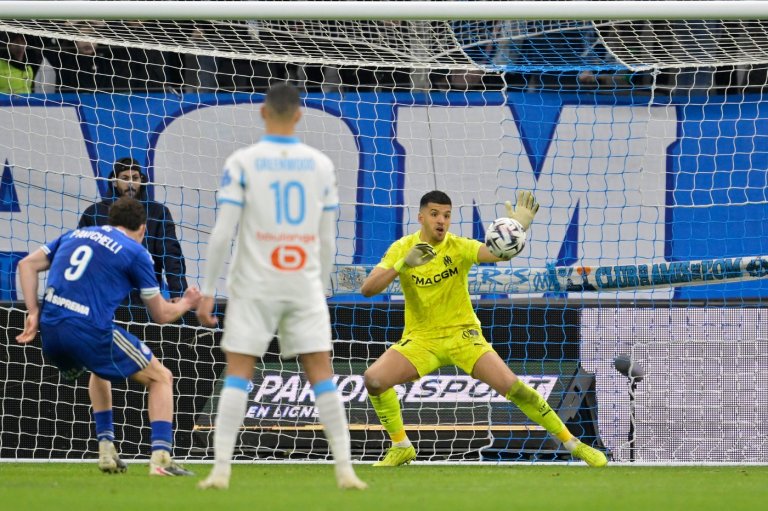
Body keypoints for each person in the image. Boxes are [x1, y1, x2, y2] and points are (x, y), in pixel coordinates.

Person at [195, 83, 367, 490]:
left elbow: (223, 232)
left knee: (238, 372)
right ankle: (345, 469)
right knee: (321, 373)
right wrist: (321, 285)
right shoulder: (320, 165)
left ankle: (221, 469)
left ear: (262, 113)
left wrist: (206, 288)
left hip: (254, 282)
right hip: (302, 282)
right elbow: (328, 238)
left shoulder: (244, 161)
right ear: (299, 116)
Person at [360, 190, 608, 468]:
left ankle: (575, 446)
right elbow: (368, 289)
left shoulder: (458, 247)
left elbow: (497, 254)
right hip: (422, 340)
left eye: (446, 215)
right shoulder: (402, 248)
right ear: (420, 217)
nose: (441, 220)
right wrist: (403, 264)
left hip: (464, 336)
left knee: (515, 389)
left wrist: (518, 228)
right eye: (434, 214)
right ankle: (401, 446)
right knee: (374, 380)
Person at [15, 196, 201, 475]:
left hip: (51, 331)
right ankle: (161, 459)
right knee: (161, 377)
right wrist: (186, 303)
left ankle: (106, 450)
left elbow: (26, 265)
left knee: (97, 369)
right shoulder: (135, 252)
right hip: (86, 328)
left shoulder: (75, 234)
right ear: (142, 228)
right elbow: (161, 315)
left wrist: (32, 312)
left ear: (110, 221)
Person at [78, 157, 188, 302]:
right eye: (125, 178)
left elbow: (171, 255)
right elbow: (81, 254)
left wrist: (178, 292)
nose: (130, 183)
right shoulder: (94, 213)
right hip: (103, 298)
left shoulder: (158, 212)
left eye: (135, 177)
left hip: (145, 298)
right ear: (115, 182)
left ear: (141, 180)